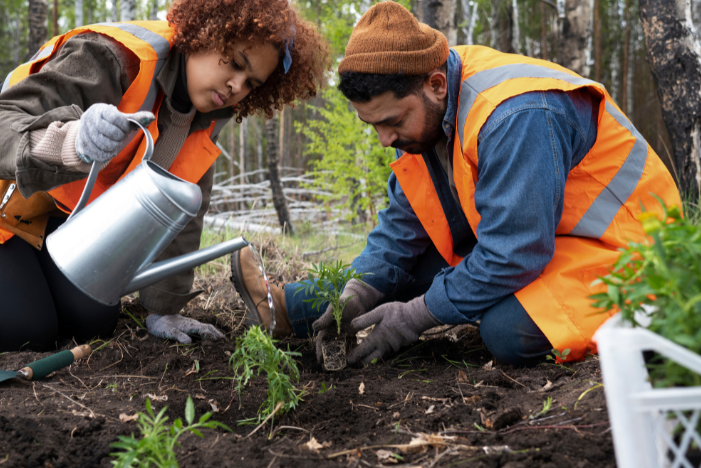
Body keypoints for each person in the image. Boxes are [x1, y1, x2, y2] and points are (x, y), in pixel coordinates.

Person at [230, 0, 681, 367]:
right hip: (546, 242)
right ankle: (286, 308)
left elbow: (515, 252)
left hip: (625, 254)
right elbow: (399, 235)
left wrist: (414, 316)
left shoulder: (516, 114)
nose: (385, 140)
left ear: (436, 84)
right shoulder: (425, 113)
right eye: (373, 127)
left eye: (391, 122)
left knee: (505, 331)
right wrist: (358, 293)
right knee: (393, 271)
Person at [0, 0, 328, 356]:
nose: (236, 85)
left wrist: (165, 308)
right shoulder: (112, 57)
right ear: (205, 30)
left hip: (40, 208)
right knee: (21, 333)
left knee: (93, 321)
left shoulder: (206, 115)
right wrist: (71, 143)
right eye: (234, 62)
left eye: (251, 82)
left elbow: (179, 211)